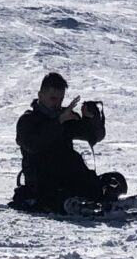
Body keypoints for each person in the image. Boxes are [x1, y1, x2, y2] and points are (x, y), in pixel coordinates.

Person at [12, 71, 127, 214]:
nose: (57, 104)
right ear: (40, 95)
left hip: (67, 176)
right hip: (41, 180)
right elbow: (33, 144)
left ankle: (97, 196)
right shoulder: (28, 120)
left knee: (107, 180)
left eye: (60, 100)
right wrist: (59, 122)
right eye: (53, 99)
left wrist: (91, 119)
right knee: (63, 159)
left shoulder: (65, 117)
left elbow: (94, 137)